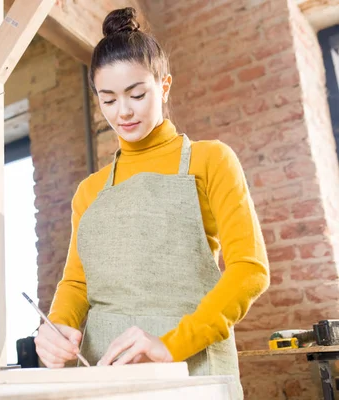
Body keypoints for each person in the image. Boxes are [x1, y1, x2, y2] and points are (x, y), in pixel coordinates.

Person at [33, 7, 270, 398]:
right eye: (107, 100)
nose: (123, 111)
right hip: (103, 372)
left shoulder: (210, 160)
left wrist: (170, 346)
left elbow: (249, 270)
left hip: (189, 369)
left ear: (164, 86)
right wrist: (57, 327)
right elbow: (77, 283)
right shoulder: (89, 191)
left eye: (137, 94)